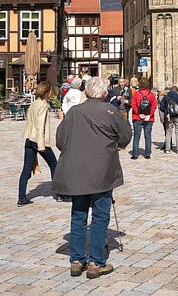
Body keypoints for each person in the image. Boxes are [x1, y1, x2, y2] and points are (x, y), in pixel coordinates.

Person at [52, 77, 132, 279]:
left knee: (78, 215)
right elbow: (125, 138)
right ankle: (96, 262)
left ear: (86, 93)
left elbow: (60, 141)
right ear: (105, 94)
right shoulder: (111, 112)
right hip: (102, 172)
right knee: (99, 216)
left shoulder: (74, 113)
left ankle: (77, 261)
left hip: (78, 171)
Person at [17, 81, 62, 207]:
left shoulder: (34, 104)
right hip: (39, 140)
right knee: (54, 165)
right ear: (47, 92)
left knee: (26, 169)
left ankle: (21, 197)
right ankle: (59, 193)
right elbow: (40, 125)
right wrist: (42, 145)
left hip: (29, 139)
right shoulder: (43, 105)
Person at [130, 78, 156, 160]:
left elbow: (133, 105)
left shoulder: (136, 94)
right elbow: (154, 106)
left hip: (137, 117)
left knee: (136, 137)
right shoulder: (151, 94)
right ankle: (147, 154)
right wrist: (149, 114)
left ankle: (135, 154)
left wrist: (139, 113)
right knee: (148, 136)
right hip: (149, 118)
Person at [160, 86, 178, 154]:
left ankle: (167, 149)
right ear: (177, 91)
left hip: (169, 117)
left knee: (168, 133)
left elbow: (161, 107)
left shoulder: (166, 97)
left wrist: (167, 111)